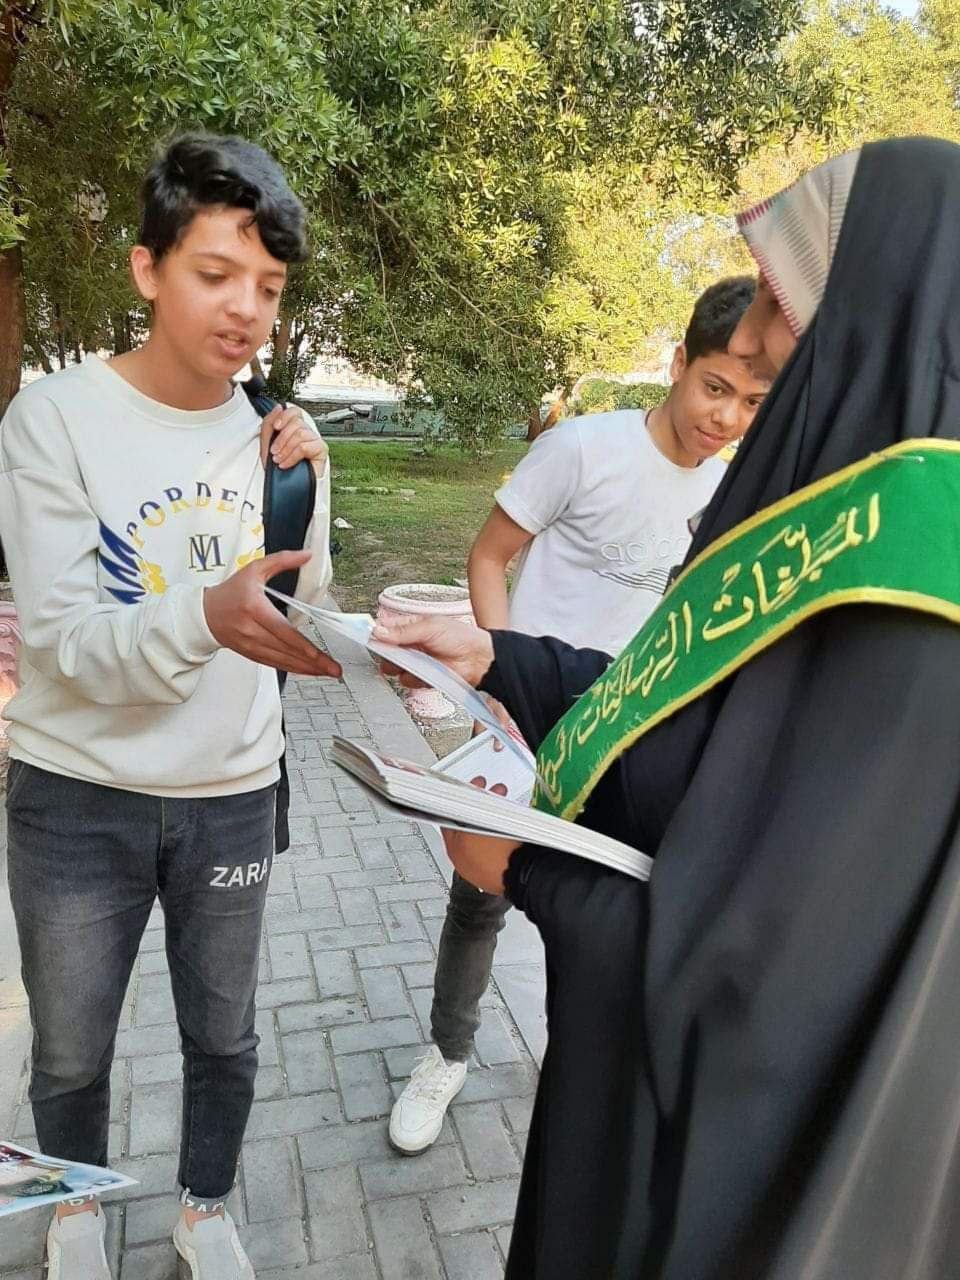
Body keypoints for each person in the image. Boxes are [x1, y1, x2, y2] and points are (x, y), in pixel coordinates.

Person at [373, 136, 960, 1278]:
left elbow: (758, 994)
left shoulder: (915, 621)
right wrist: (499, 655)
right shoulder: (838, 541)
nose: (756, 348)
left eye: (783, 312)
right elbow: (691, 723)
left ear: (873, 328)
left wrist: (527, 872)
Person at [0, 134, 339, 1280]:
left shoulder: (278, 440)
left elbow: (300, 613)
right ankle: (75, 1208)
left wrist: (310, 486)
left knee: (225, 1036)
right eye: (215, 272)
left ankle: (204, 1208)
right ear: (147, 267)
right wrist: (204, 614)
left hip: (230, 794)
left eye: (269, 286)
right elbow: (59, 643)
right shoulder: (53, 420)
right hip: (75, 798)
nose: (246, 308)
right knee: (68, 1049)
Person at [389, 277, 770, 1155]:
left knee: (596, 914)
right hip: (522, 716)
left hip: (623, 742)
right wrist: (496, 686)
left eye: (751, 403)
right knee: (480, 896)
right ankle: (447, 1053)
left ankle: (578, 1073)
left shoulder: (729, 496)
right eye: (715, 387)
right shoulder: (583, 449)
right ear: (677, 364)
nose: (725, 417)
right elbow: (489, 557)